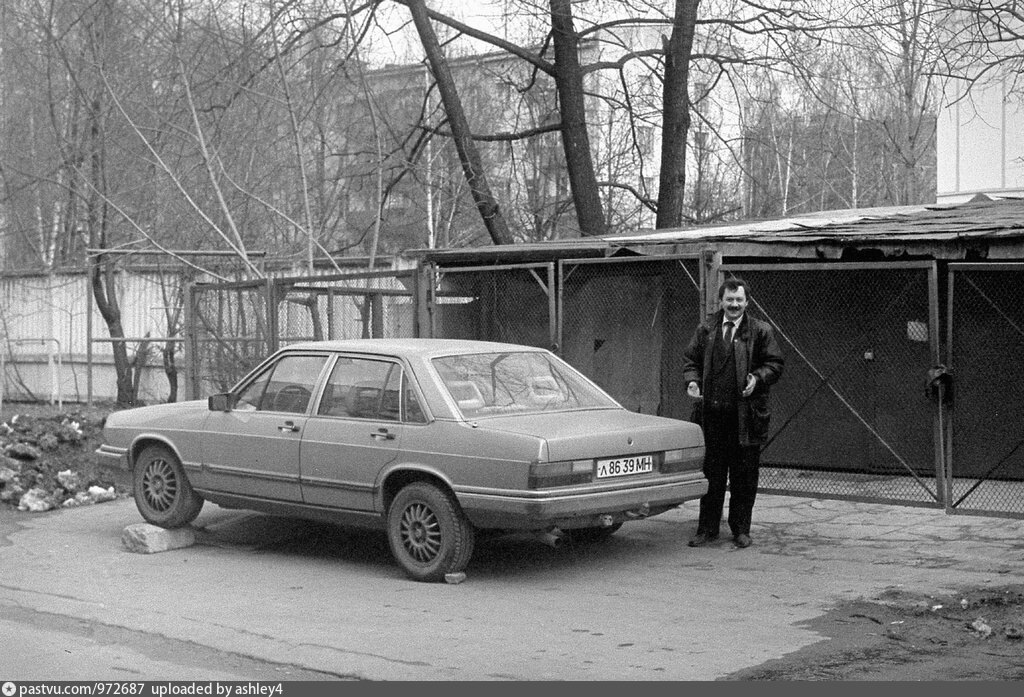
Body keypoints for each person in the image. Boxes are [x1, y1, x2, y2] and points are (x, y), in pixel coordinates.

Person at [681, 277, 784, 549]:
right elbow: (690, 360)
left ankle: (741, 530)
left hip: (746, 418)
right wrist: (692, 381)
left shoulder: (761, 331)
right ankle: (707, 530)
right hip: (712, 418)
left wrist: (758, 378)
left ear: (747, 302)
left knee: (744, 478)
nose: (734, 304)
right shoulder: (706, 329)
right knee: (712, 476)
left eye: (739, 300)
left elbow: (775, 364)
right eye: (730, 300)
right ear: (721, 301)